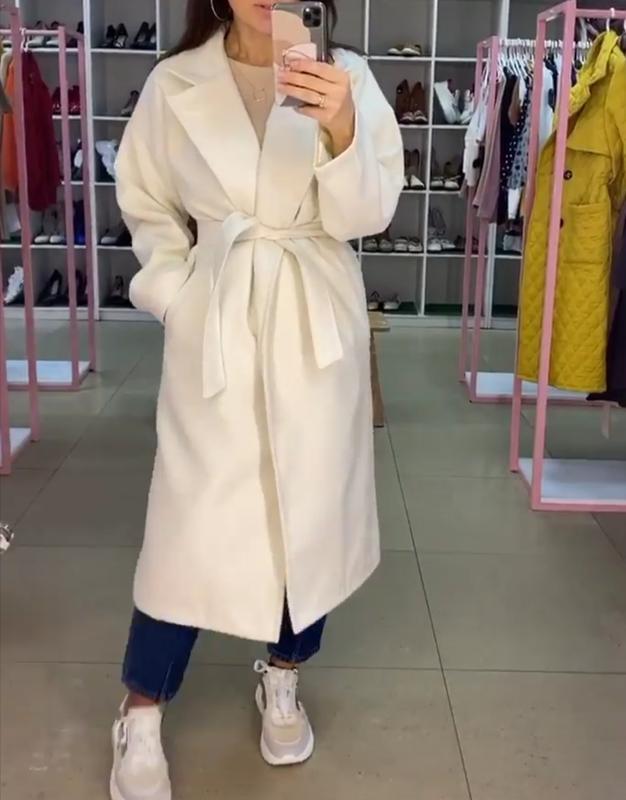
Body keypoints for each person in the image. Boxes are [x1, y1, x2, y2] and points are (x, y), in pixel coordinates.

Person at [111, 0, 403, 796]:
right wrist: (175, 293)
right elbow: (146, 202)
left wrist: (341, 126)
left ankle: (283, 674)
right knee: (187, 525)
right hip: (219, 317)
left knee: (305, 513)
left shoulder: (350, 77)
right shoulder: (176, 81)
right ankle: (141, 710)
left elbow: (369, 213)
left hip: (312, 319)